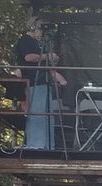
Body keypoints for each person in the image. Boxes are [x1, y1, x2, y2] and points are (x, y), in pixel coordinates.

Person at [14, 17, 67, 150]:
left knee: (46, 114)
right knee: (37, 113)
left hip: (43, 82)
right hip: (34, 82)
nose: (42, 33)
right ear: (33, 27)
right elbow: (28, 57)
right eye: (41, 29)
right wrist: (47, 56)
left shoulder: (38, 43)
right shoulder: (26, 40)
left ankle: (47, 145)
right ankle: (36, 145)